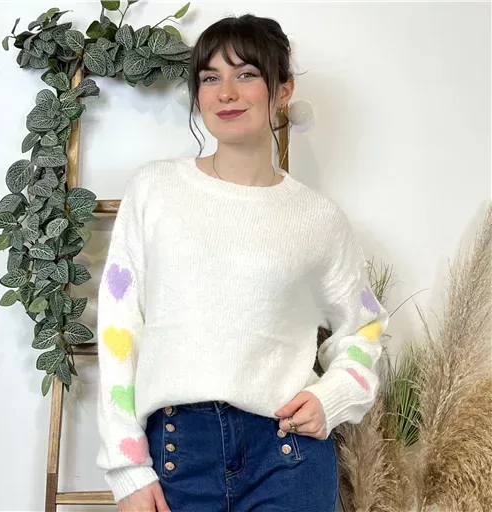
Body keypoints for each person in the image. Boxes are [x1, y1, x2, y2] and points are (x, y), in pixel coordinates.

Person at [96, 13, 390, 512]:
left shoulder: (318, 219)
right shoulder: (155, 190)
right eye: (210, 78)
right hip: (176, 455)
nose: (226, 92)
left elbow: (365, 328)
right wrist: (127, 467)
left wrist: (334, 396)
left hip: (288, 456)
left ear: (283, 90)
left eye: (246, 74)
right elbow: (119, 327)